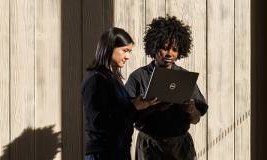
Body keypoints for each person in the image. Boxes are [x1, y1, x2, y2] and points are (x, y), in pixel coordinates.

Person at [125, 16, 208, 160]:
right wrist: (146, 106)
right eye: (164, 48)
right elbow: (124, 115)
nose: (169, 53)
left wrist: (191, 110)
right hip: (149, 147)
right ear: (154, 47)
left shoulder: (184, 77)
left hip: (180, 147)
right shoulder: (138, 77)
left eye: (174, 49)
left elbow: (196, 119)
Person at [82, 27, 160, 160]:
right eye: (125, 51)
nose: (128, 57)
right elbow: (99, 122)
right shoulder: (96, 78)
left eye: (129, 51)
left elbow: (123, 117)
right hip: (103, 153)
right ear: (109, 48)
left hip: (119, 151)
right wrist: (133, 106)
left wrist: (146, 105)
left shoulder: (113, 77)